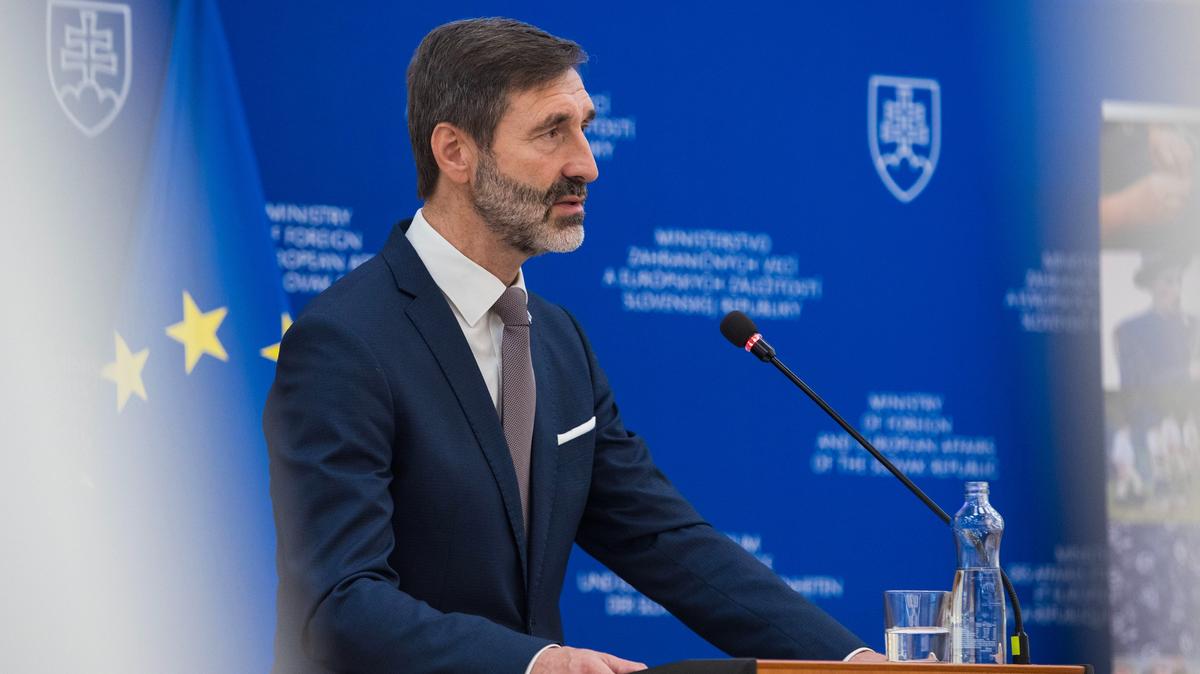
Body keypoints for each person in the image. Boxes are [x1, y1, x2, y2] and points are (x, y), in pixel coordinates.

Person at [264, 18, 881, 674]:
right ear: (455, 152)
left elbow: (662, 538)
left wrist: (850, 661)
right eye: (552, 131)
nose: (586, 164)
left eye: (585, 128)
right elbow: (340, 604)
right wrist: (537, 665)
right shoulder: (344, 342)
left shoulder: (558, 341)